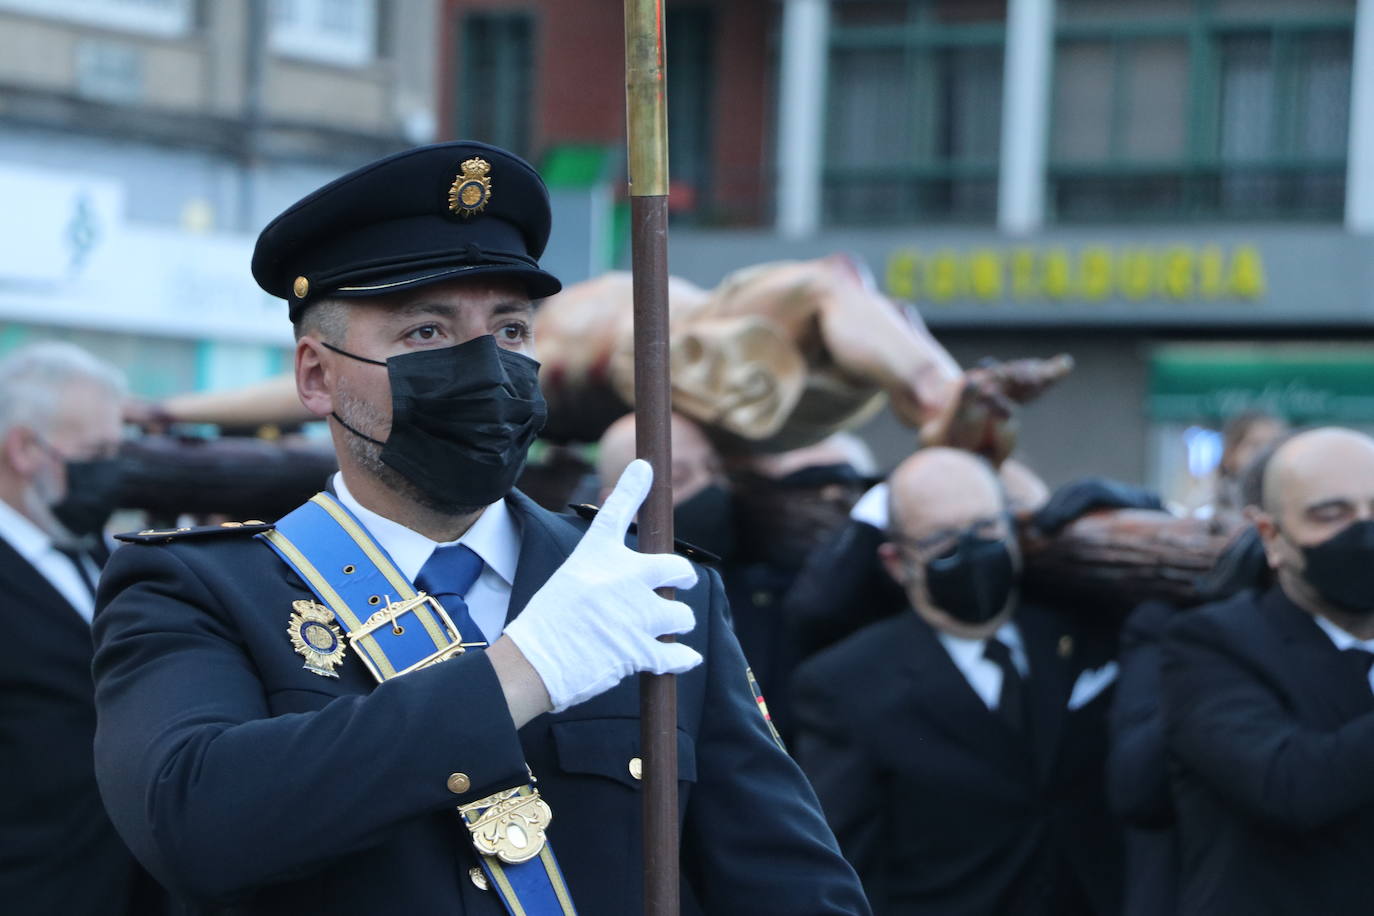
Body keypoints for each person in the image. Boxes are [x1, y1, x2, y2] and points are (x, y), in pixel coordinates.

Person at [91, 140, 869, 916]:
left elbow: (793, 887)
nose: (485, 368)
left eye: (509, 331)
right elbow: (193, 824)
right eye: (425, 333)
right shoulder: (198, 591)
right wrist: (524, 670)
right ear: (316, 375)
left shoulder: (653, 588)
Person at [792, 447, 1123, 915]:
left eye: (987, 528)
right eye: (941, 541)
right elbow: (848, 861)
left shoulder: (1080, 629)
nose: (972, 549)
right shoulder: (844, 684)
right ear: (895, 562)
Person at [1162, 426, 1374, 915]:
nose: (1363, 531)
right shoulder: (1211, 643)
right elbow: (1287, 786)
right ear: (1270, 535)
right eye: (1331, 514)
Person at [0, 342, 166, 914]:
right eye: (95, 452)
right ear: (23, 448)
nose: (111, 472)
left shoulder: (99, 550)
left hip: (134, 887)